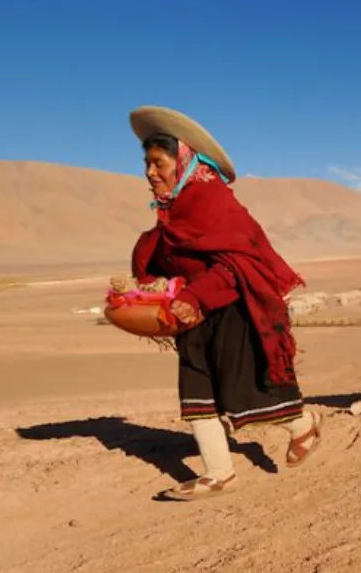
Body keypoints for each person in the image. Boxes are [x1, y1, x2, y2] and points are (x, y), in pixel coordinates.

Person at [127, 106, 320, 500]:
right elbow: (172, 258)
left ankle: (304, 425)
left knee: (246, 393)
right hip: (193, 315)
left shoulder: (213, 201)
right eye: (146, 164)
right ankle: (219, 473)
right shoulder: (173, 210)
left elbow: (238, 264)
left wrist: (195, 295)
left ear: (183, 161)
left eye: (158, 163)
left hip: (233, 312)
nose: (150, 173)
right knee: (197, 394)